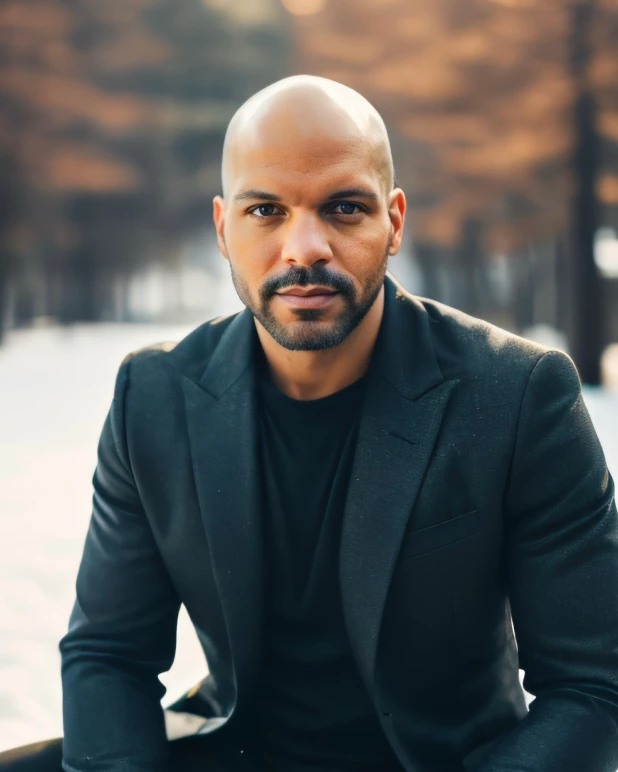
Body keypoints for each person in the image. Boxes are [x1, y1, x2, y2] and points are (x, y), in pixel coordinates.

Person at [1, 74, 617, 772]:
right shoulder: (156, 394)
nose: (304, 249)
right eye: (265, 210)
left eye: (344, 208)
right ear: (222, 228)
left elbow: (593, 688)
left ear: (394, 223)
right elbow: (107, 654)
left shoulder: (518, 395)